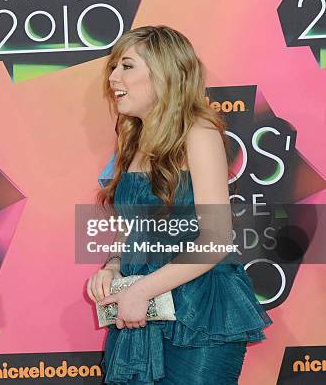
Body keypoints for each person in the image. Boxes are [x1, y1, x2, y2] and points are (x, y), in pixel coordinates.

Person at [86, 26, 271, 384]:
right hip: (142, 307)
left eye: (126, 66)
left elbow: (216, 239)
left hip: (198, 313)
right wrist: (112, 267)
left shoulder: (199, 135)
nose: (113, 77)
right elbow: (132, 229)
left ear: (165, 74)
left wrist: (140, 290)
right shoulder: (131, 139)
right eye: (113, 67)